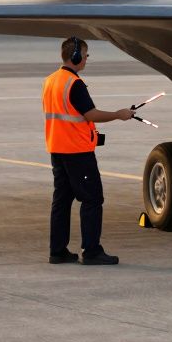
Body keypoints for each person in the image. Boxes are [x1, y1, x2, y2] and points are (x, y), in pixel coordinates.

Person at [45, 37, 133, 265]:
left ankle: (57, 251)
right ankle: (91, 251)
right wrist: (118, 114)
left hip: (57, 149)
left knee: (62, 200)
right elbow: (90, 114)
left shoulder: (51, 80)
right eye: (85, 55)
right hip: (77, 152)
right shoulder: (74, 84)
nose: (86, 59)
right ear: (75, 56)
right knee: (92, 198)